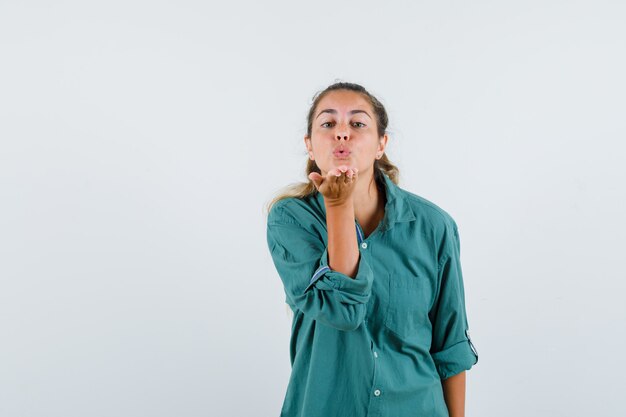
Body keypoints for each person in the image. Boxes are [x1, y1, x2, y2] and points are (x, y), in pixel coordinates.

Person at [265, 81, 478, 417]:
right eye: (328, 123)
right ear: (309, 145)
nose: (342, 134)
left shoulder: (434, 226)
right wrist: (338, 206)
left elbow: (450, 345)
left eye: (358, 124)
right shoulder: (291, 220)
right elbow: (342, 310)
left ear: (381, 144)